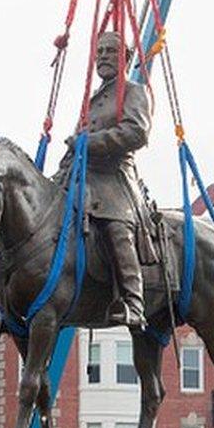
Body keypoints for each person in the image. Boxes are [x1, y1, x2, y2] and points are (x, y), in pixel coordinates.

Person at [52, 31, 157, 330]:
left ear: (125, 57)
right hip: (81, 176)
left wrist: (89, 142)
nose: (103, 57)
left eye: (110, 51)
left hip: (114, 177)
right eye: (99, 52)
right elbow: (76, 143)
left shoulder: (134, 91)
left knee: (115, 228)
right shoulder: (93, 98)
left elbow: (137, 133)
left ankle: (134, 302)